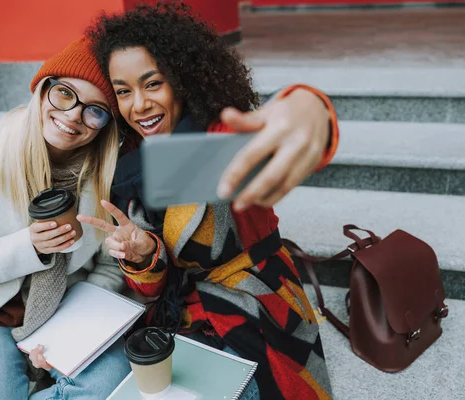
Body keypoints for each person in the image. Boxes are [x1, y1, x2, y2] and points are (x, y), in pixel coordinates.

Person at [78, 3, 339, 399]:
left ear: (181, 80)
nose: (139, 105)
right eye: (123, 92)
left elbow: (280, 133)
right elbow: (153, 285)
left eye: (153, 84)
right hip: (174, 318)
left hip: (258, 308)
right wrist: (142, 254)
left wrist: (310, 107)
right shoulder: (130, 164)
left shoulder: (220, 134)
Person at [0, 37, 131, 399]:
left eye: (95, 110)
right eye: (66, 94)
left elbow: (109, 266)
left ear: (105, 124)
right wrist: (30, 246)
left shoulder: (108, 174)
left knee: (110, 386)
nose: (73, 116)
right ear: (42, 89)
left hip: (69, 306)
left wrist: (67, 331)